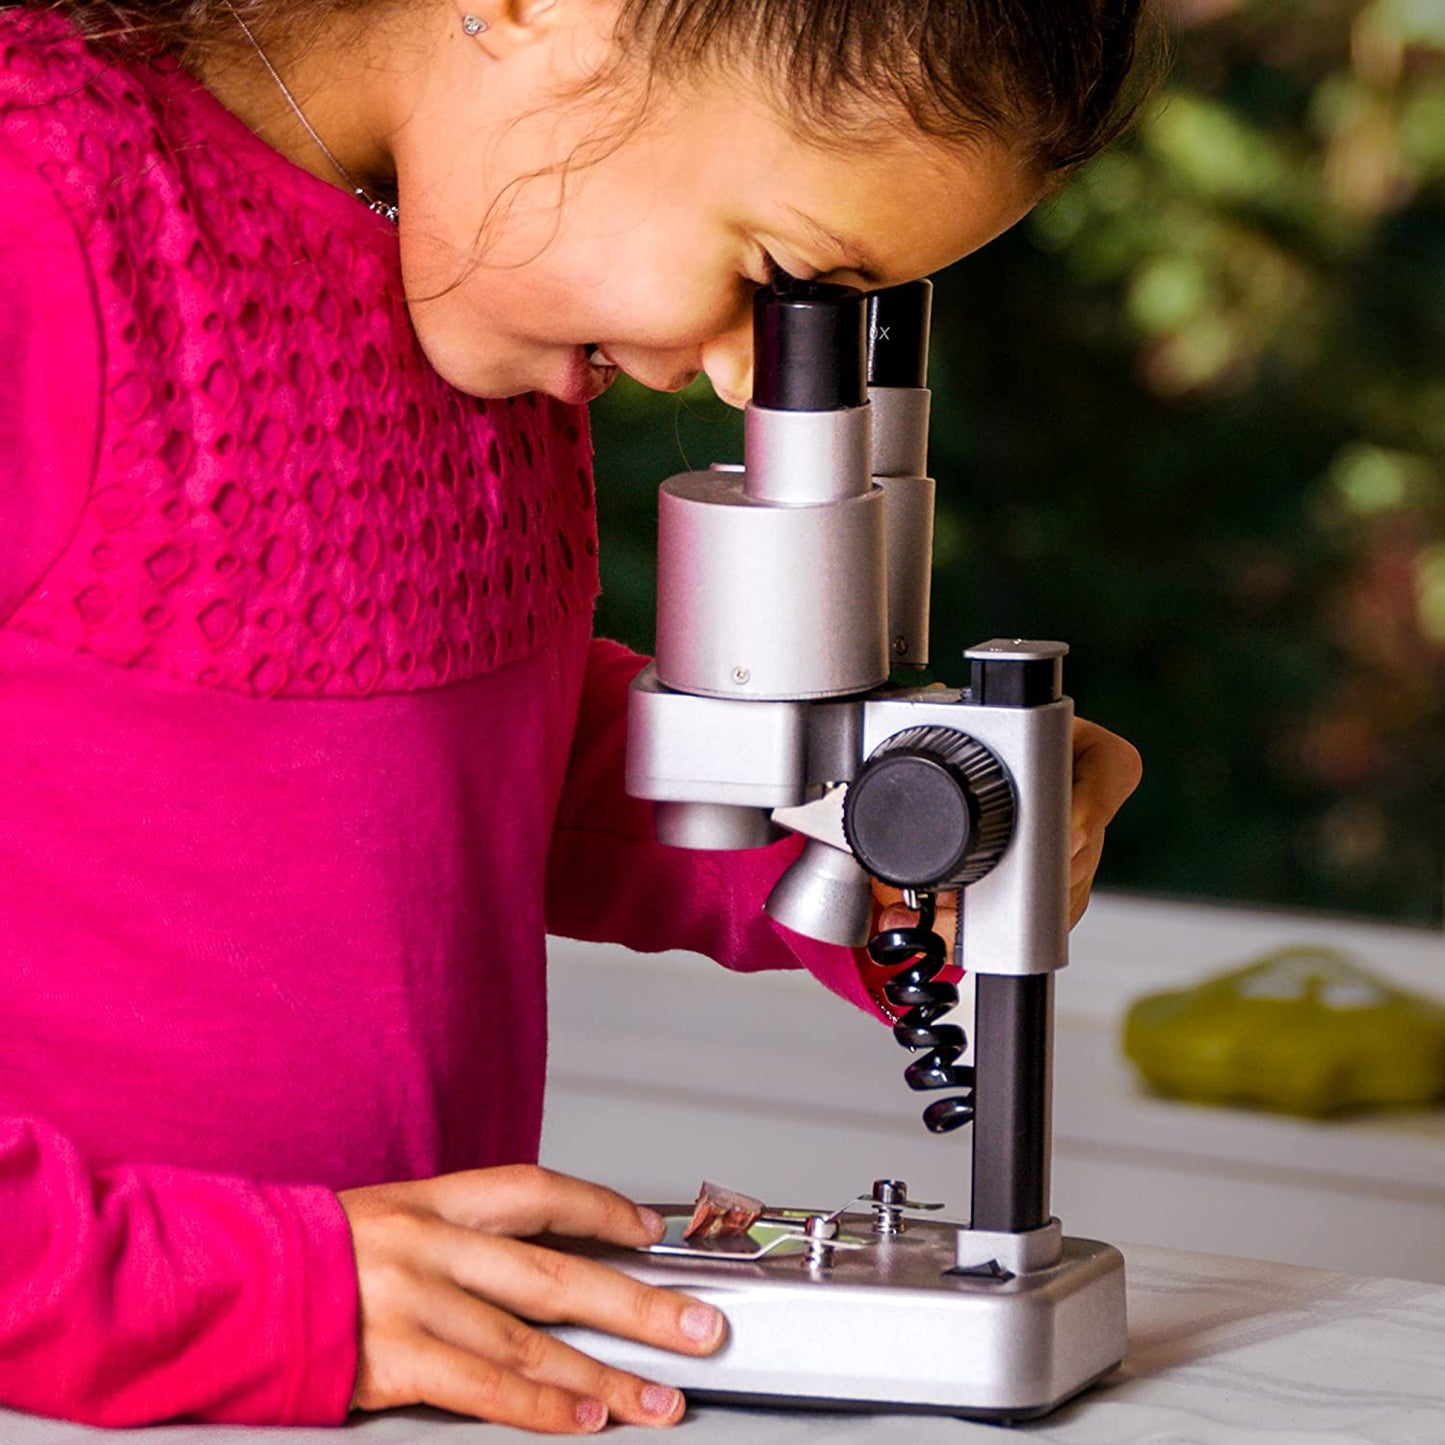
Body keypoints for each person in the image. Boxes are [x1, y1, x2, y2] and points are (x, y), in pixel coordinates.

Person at [0, 0, 1150, 1433]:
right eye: (778, 273)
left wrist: (862, 838)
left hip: (378, 1382)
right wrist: (226, 1291)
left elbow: (419, 774)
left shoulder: (470, 263)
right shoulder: (39, 213)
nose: (746, 375)